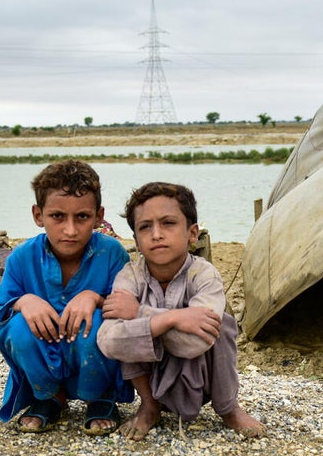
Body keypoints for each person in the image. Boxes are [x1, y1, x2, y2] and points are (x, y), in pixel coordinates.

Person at [97, 182, 264, 440]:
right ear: (137, 242)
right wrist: (174, 318)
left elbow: (194, 343)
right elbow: (109, 342)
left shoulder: (204, 274)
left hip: (197, 375)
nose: (156, 234)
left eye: (168, 223)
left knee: (223, 324)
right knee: (123, 336)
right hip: (151, 377)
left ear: (192, 233)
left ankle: (229, 407)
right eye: (145, 227)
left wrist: (140, 316)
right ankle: (150, 406)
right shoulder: (129, 276)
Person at [0, 160, 132, 436]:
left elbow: (130, 308)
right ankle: (46, 397)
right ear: (38, 215)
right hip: (43, 350)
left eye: (82, 217)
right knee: (17, 326)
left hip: (92, 353)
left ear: (99, 216)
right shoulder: (21, 258)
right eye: (57, 217)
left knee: (104, 321)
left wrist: (95, 298)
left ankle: (100, 397)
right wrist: (23, 302)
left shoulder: (113, 254)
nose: (70, 230)